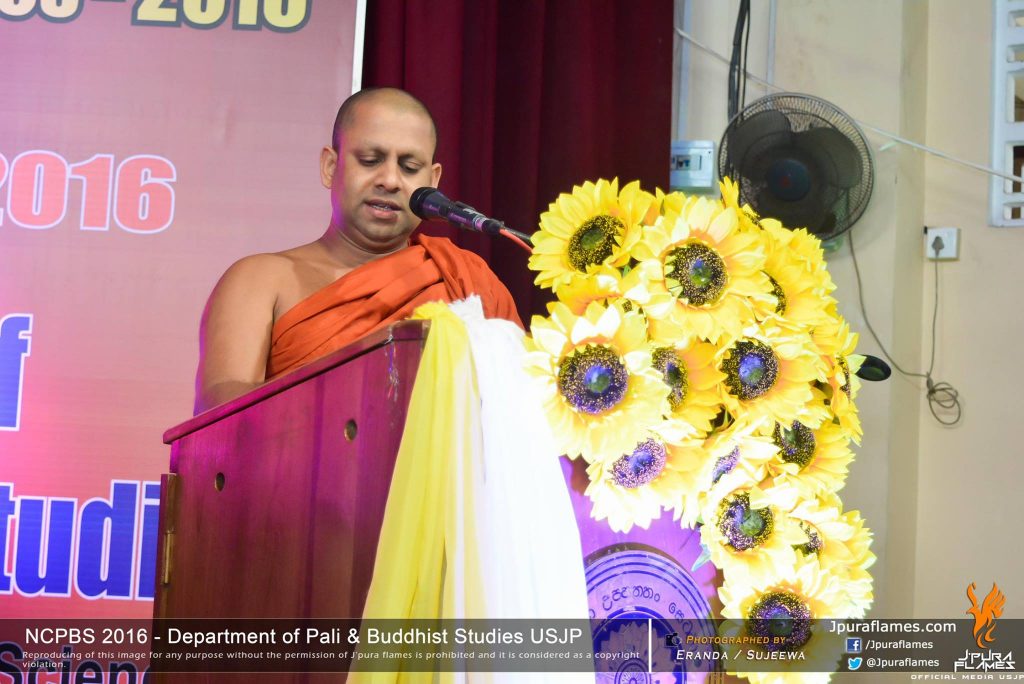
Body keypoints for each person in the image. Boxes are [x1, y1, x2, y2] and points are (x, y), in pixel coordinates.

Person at [194, 88, 521, 413]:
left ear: (433, 181)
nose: (390, 180)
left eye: (409, 167)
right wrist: (367, 390)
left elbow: (522, 406)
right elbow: (219, 409)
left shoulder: (467, 279)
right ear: (330, 166)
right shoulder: (261, 279)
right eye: (370, 160)